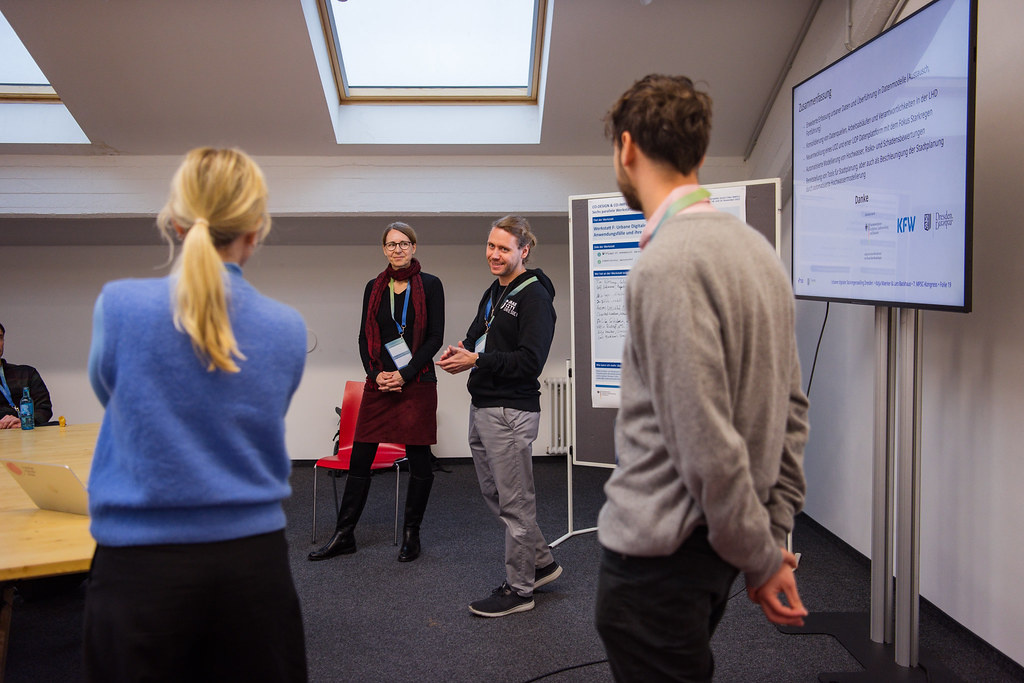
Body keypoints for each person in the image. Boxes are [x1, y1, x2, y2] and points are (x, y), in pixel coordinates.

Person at [593, 74, 810, 681]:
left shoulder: (667, 263)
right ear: (700, 155)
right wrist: (771, 536)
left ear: (627, 147)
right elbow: (791, 411)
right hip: (711, 551)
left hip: (659, 561)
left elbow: (704, 442)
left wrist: (762, 558)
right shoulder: (761, 253)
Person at [83, 147, 308, 682]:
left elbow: (115, 401)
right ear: (256, 229)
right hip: (253, 571)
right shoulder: (288, 327)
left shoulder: (118, 306)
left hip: (139, 570)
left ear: (176, 222)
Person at [438, 215, 562, 618]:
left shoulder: (535, 297)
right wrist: (461, 350)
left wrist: (476, 360)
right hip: (484, 404)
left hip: (511, 410)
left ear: (524, 251)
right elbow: (479, 334)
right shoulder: (495, 290)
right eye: (491, 246)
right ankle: (541, 563)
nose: (494, 254)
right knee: (496, 495)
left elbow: (530, 362)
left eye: (503, 248)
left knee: (516, 503)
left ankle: (520, 589)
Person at [308, 221, 445, 563]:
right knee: (359, 457)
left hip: (416, 382)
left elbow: (434, 338)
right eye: (391, 244)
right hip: (380, 382)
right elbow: (363, 337)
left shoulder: (430, 285)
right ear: (384, 249)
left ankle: (411, 535)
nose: (397, 249)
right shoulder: (374, 287)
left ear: (414, 247)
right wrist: (375, 374)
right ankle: (344, 535)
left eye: (404, 243)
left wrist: (404, 374)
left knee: (419, 460)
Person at [0, 322, 53, 428]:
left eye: (0, 337)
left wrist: (25, 422)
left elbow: (44, 408)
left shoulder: (27, 373)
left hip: (27, 432)